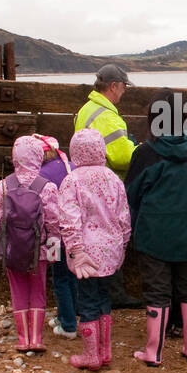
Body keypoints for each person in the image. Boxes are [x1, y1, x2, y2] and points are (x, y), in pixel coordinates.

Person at [124, 91, 187, 366]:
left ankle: (153, 352)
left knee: (157, 290)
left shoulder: (145, 153)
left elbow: (132, 194)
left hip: (155, 232)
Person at [56, 128, 132, 370]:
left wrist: (76, 250)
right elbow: (124, 218)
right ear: (101, 150)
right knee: (103, 299)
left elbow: (69, 220)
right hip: (111, 250)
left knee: (87, 301)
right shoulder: (114, 179)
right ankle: (105, 351)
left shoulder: (72, 180)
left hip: (86, 254)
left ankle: (91, 355)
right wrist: (123, 246)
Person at [74, 63, 141, 308]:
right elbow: (123, 157)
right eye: (123, 86)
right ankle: (114, 293)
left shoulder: (87, 109)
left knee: (89, 236)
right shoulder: (108, 115)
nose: (124, 91)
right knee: (112, 236)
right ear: (114, 86)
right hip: (106, 186)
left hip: (85, 183)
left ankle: (91, 294)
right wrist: (138, 149)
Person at [0, 135, 60, 353]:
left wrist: (0, 243)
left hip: (13, 249)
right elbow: (54, 220)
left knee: (17, 290)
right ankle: (36, 339)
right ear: (39, 156)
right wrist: (53, 243)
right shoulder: (46, 186)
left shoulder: (3, 185)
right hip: (39, 249)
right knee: (38, 290)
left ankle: (22, 339)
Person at [37, 135, 78, 339]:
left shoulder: (41, 173)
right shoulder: (70, 165)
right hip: (75, 233)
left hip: (55, 236)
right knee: (71, 276)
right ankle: (66, 314)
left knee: (60, 278)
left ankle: (68, 324)